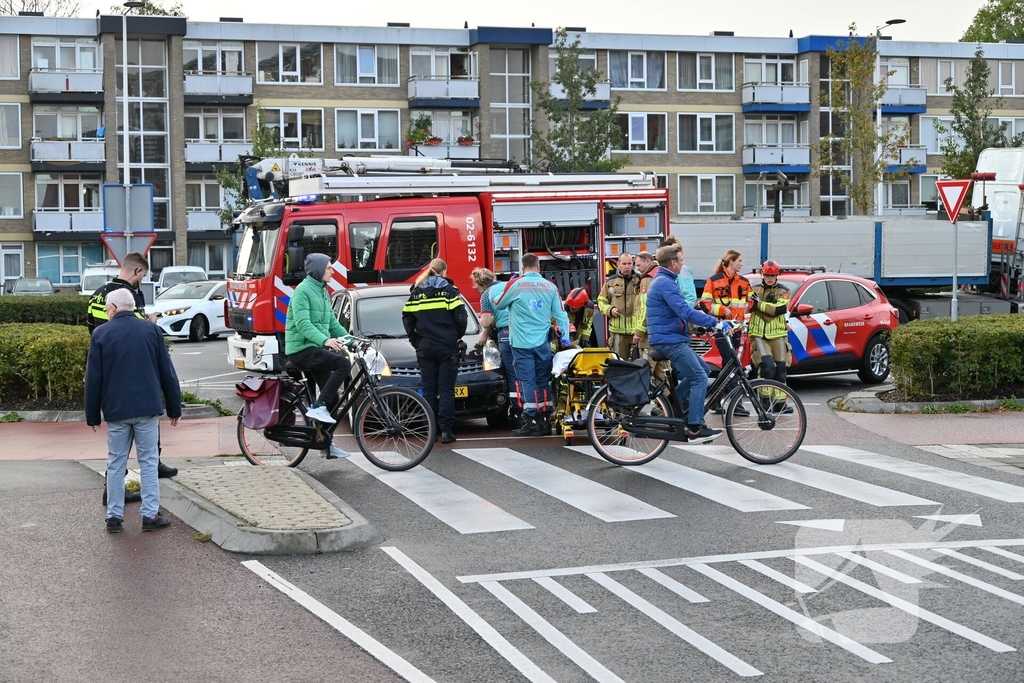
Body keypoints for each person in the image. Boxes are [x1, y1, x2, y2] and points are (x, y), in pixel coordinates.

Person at [86, 287, 182, 533]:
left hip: (117, 409)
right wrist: (174, 407)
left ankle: (114, 517)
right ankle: (150, 515)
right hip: (147, 408)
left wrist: (92, 415)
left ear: (114, 308)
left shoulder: (100, 334)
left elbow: (94, 378)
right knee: (148, 462)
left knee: (116, 462)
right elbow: (166, 371)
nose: (107, 312)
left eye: (107, 308)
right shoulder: (151, 330)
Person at [647, 243, 731, 444]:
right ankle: (695, 427)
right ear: (673, 263)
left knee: (703, 369)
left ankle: (668, 405)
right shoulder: (665, 283)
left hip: (670, 337)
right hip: (669, 341)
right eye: (681, 261)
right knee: (699, 377)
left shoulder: (665, 281)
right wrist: (715, 322)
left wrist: (698, 327)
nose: (683, 265)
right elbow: (684, 311)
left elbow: (675, 314)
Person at [493, 253, 570, 437]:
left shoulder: (516, 285)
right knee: (543, 381)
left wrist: (508, 287)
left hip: (521, 343)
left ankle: (532, 421)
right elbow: (561, 315)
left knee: (527, 381)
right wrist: (565, 337)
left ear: (522, 267)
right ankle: (545, 420)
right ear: (538, 267)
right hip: (543, 342)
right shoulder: (550, 287)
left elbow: (499, 304)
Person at [284, 252, 352, 459]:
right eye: (329, 267)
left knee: (333, 399)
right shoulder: (302, 291)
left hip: (315, 348)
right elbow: (303, 324)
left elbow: (332, 323)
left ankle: (325, 444)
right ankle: (318, 406)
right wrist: (325, 340)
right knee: (343, 364)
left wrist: (353, 340)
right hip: (301, 349)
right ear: (318, 269)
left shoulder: (322, 291)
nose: (332, 271)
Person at [403, 258, 468, 444]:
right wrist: (455, 335)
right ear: (444, 272)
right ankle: (446, 432)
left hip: (425, 347)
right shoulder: (449, 291)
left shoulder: (416, 292)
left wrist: (415, 340)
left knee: (429, 390)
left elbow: (407, 317)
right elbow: (461, 317)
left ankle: (430, 432)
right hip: (447, 346)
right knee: (446, 390)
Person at [748, 260, 794, 413]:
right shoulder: (753, 289)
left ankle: (780, 404)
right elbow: (753, 307)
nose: (770, 278)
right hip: (759, 335)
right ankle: (765, 403)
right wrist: (768, 308)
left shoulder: (784, 290)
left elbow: (778, 310)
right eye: (767, 275)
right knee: (767, 367)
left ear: (777, 275)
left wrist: (759, 305)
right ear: (763, 274)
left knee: (781, 369)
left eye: (772, 275)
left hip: (778, 335)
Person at [481, 272, 521, 426]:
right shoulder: (510, 285)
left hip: (505, 333)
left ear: (481, 284)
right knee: (526, 371)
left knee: (512, 375)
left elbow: (486, 322)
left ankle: (517, 413)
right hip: (523, 331)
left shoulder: (487, 294)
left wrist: (483, 327)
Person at [631, 251, 669, 383]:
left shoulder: (647, 279)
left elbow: (645, 309)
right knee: (663, 373)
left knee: (645, 372)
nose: (637, 269)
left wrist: (638, 332)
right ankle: (666, 396)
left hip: (649, 335)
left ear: (647, 261)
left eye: (638, 265)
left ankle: (644, 396)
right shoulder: (661, 274)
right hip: (663, 333)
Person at [597, 252, 641, 359]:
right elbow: (601, 301)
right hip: (618, 334)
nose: (627, 267)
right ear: (618, 264)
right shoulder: (610, 282)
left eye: (629, 263)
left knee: (640, 364)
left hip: (637, 333)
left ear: (633, 264)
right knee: (619, 363)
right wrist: (610, 310)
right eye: (624, 264)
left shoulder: (641, 281)